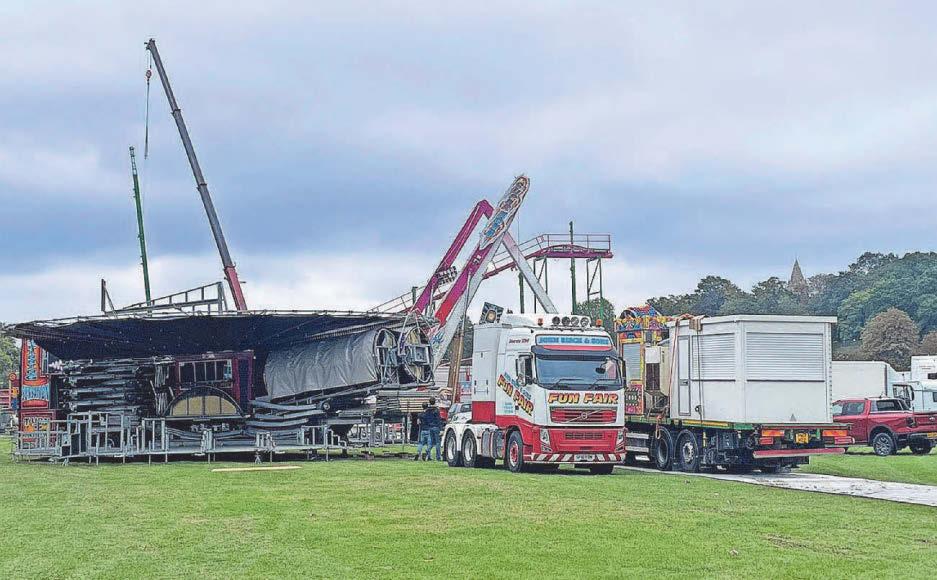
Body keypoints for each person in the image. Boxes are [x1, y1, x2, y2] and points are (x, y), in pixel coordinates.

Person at [426, 397, 443, 461]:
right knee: (437, 442)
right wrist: (441, 429)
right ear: (435, 402)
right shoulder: (436, 410)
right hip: (436, 427)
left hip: (430, 427)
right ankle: (438, 457)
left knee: (431, 442)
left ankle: (428, 451)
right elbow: (439, 420)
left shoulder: (427, 410)